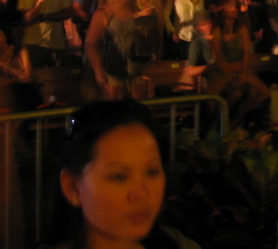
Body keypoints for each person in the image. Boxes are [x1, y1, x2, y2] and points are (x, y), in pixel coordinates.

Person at [49, 99, 199, 248]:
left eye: (152, 172)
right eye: (120, 176)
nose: (141, 194)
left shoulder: (178, 245)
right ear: (73, 186)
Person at [17, 0, 74, 69]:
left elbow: (68, 12)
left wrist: (44, 17)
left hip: (57, 42)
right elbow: (27, 18)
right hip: (35, 43)